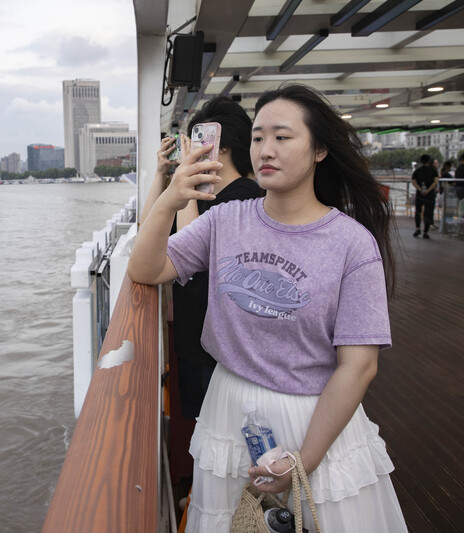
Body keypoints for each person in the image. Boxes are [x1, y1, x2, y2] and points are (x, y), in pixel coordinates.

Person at [128, 83, 406, 532]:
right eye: (258, 137)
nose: (265, 150)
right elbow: (145, 269)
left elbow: (359, 367)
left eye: (282, 137)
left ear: (319, 150)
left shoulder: (352, 245)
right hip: (229, 408)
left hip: (313, 419)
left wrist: (303, 460)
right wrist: (171, 197)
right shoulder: (225, 220)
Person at [141, 97, 263, 421]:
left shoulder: (246, 198)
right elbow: (148, 229)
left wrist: (188, 180)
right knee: (200, 434)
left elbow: (191, 252)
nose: (195, 147)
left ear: (219, 145)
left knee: (223, 441)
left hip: (218, 355)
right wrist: (163, 174)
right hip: (193, 343)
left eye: (201, 139)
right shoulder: (204, 197)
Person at [411, 154, 438, 238]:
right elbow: (435, 181)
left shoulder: (418, 170)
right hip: (430, 195)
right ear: (429, 161)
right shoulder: (433, 171)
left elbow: (413, 181)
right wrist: (429, 190)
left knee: (418, 211)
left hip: (420, 194)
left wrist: (420, 189)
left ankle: (418, 228)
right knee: (428, 212)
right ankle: (426, 231)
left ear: (421, 161)